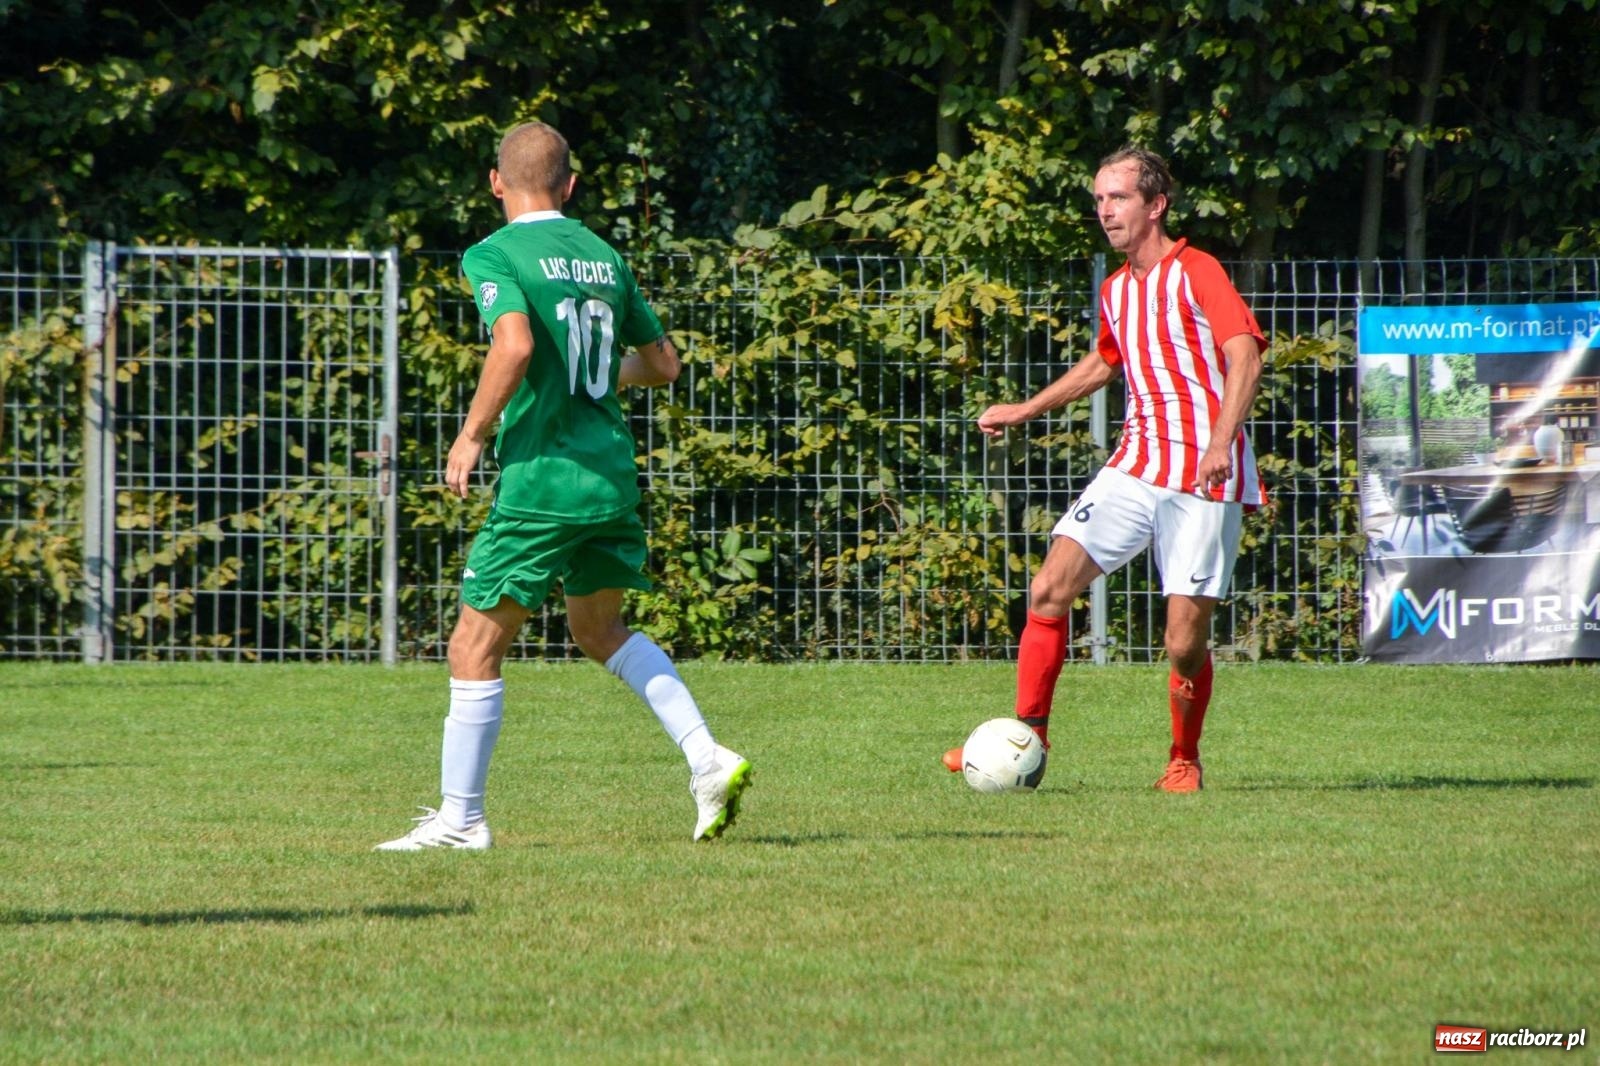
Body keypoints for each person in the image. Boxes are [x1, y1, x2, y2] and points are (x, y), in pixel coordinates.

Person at [377, 122, 751, 849]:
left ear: (495, 183)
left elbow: (514, 343)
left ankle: (462, 821)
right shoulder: (603, 256)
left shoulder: (496, 252)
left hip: (543, 480)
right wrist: (589, 380)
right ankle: (707, 758)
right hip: (608, 475)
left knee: (472, 647)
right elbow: (665, 365)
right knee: (598, 630)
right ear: (571, 185)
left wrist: (472, 433)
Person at [942, 146, 1266, 792]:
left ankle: (1183, 757)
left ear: (1156, 205)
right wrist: (1025, 409)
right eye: (1098, 199)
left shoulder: (1197, 272)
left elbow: (1245, 355)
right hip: (1136, 463)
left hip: (1203, 476)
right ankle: (1028, 736)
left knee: (1182, 644)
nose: (1104, 210)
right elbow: (1104, 362)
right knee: (1047, 589)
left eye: (1117, 198)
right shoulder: (1117, 289)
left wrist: (1221, 441)